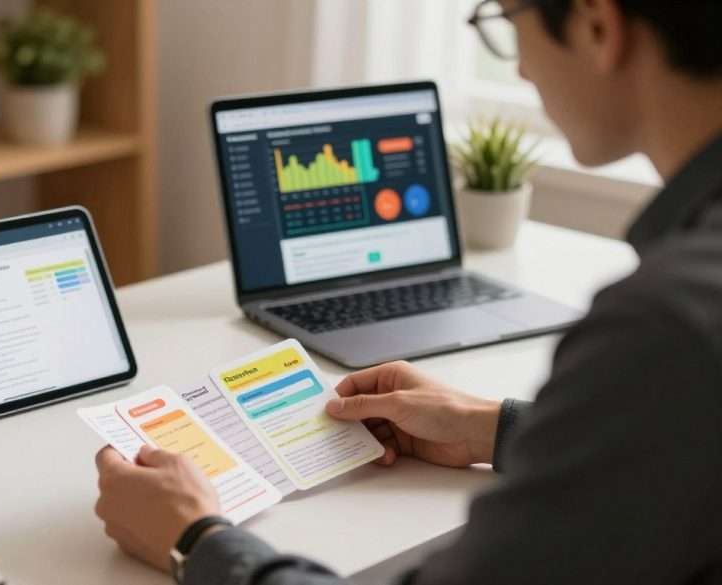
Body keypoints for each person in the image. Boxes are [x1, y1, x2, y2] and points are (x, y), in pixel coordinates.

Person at [94, 0, 722, 583]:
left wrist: (195, 538)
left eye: (506, 18)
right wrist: (488, 428)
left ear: (596, 25)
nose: (523, 67)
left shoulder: (665, 326)